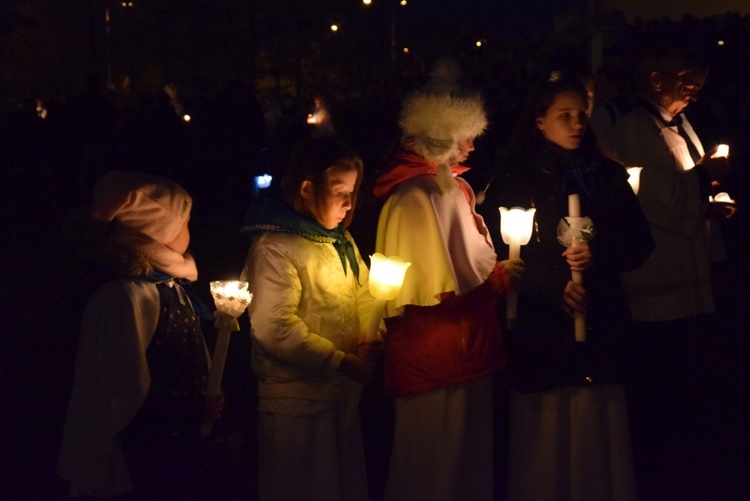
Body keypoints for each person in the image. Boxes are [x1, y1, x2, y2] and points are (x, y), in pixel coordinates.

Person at [479, 71, 654, 501]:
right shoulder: (515, 178)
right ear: (539, 120)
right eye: (565, 115)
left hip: (600, 322)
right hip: (543, 329)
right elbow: (497, 254)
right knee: (546, 436)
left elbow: (640, 243)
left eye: (582, 114)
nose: (577, 123)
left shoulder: (607, 176)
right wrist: (553, 283)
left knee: (596, 431)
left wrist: (598, 257)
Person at [372, 59, 523, 501]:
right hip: (437, 362)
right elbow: (430, 292)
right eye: (466, 136)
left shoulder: (445, 187)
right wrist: (495, 282)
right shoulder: (416, 196)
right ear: (442, 136)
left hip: (461, 354)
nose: (474, 146)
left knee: (463, 467)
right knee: (435, 469)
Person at [57, 170, 224, 498]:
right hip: (143, 460)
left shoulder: (169, 287)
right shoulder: (127, 297)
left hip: (179, 449)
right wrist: (192, 409)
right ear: (159, 232)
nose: (190, 231)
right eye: (184, 224)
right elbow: (122, 389)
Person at [610, 48, 731, 486]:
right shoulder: (636, 128)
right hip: (659, 278)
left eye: (697, 77)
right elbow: (653, 197)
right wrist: (703, 179)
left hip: (690, 271)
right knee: (664, 381)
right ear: (656, 79)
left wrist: (712, 197)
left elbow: (692, 185)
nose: (695, 82)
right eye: (684, 75)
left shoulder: (680, 125)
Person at [240, 136, 382, 501]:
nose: (350, 202)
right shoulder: (276, 247)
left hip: (338, 397)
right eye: (340, 191)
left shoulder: (341, 242)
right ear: (306, 189)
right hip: (296, 406)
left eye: (353, 191)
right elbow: (275, 327)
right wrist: (339, 361)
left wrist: (372, 333)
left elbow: (366, 291)